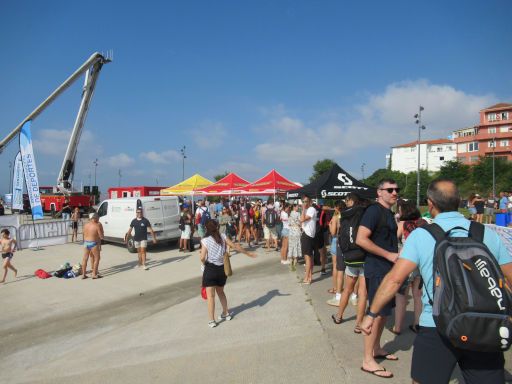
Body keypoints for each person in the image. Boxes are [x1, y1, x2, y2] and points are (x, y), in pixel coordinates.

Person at [360, 178, 512, 383]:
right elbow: (509, 277)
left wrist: (371, 314)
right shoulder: (487, 233)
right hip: (484, 324)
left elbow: (395, 280)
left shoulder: (422, 235)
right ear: (458, 201)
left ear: (430, 203)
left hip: (437, 324)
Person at [356, 179, 399, 378]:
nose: (394, 193)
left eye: (396, 190)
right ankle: (367, 360)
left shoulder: (389, 213)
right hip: (377, 268)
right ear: (379, 192)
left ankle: (376, 348)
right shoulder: (374, 211)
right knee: (375, 312)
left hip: (388, 269)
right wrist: (388, 255)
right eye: (390, 190)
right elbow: (361, 239)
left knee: (384, 313)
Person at [200, 220, 256, 328]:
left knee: (211, 296)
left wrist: (203, 261)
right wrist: (248, 253)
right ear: (217, 227)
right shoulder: (223, 236)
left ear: (206, 228)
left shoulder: (205, 240)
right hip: (222, 270)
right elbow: (235, 246)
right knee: (221, 292)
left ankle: (212, 320)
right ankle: (226, 313)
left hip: (210, 269)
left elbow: (202, 257)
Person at [331, 194, 367, 334]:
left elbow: (339, 233)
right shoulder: (365, 212)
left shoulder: (344, 214)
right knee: (362, 293)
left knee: (347, 289)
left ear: (351, 201)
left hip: (351, 256)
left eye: (347, 200)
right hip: (364, 255)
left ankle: (339, 316)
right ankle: (358, 324)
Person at [391, 200, 426, 335]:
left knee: (401, 296)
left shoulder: (402, 224)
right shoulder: (422, 223)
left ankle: (398, 327)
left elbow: (395, 239)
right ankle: (417, 324)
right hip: (420, 263)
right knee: (417, 295)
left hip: (406, 263)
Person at [326, 201, 344, 306]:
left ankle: (336, 288)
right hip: (344, 242)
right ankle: (340, 287)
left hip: (336, 241)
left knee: (335, 267)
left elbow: (332, 233)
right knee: (343, 268)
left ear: (337, 208)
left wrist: (330, 225)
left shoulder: (336, 217)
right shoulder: (346, 215)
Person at [300, 195, 317, 284]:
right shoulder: (308, 210)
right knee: (309, 257)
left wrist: (303, 209)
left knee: (307, 258)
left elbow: (302, 219)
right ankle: (309, 277)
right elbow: (301, 220)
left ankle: (307, 278)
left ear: (310, 201)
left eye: (306, 201)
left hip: (307, 235)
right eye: (303, 201)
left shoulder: (311, 209)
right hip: (307, 234)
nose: (304, 203)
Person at [81, 213, 104, 279]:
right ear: (95, 218)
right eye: (98, 219)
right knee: (97, 258)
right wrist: (102, 235)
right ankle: (94, 274)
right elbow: (101, 236)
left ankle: (83, 274)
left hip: (86, 243)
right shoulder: (97, 225)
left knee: (85, 259)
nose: (98, 220)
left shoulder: (86, 225)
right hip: (93, 243)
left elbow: (84, 233)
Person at [287, 203, 302, 271]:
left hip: (291, 231)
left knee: (291, 245)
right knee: (296, 244)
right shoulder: (298, 214)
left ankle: (290, 260)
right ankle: (295, 260)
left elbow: (289, 223)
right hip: (296, 230)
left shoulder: (290, 214)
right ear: (294, 207)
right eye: (297, 207)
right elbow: (300, 222)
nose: (298, 208)